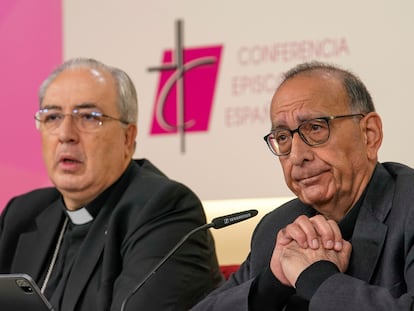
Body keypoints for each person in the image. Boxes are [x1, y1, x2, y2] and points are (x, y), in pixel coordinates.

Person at [0, 57, 223, 311]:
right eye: (52, 117)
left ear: (127, 139)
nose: (65, 134)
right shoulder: (22, 214)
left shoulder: (165, 210)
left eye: (88, 117)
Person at [191, 61, 414, 310]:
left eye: (316, 128)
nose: (297, 156)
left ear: (369, 134)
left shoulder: (409, 207)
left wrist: (317, 280)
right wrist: (272, 283)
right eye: (283, 137)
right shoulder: (278, 228)